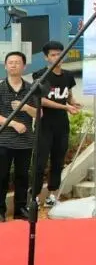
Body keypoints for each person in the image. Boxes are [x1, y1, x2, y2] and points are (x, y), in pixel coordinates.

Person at [32, 40, 81, 208]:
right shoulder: (40, 76)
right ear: (46, 57)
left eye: (60, 54)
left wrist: (73, 103)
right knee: (40, 162)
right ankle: (34, 196)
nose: (57, 57)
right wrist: (65, 107)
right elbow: (41, 100)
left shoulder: (68, 76)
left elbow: (68, 95)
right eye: (53, 55)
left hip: (62, 125)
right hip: (44, 124)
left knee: (58, 160)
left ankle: (52, 195)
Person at [0, 51, 37, 222]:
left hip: (25, 141)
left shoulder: (31, 88)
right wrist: (13, 123)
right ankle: (1, 211)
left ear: (24, 66)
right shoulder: (1, 88)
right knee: (2, 176)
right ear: (5, 66)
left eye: (17, 62)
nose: (13, 65)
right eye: (10, 62)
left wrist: (26, 108)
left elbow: (39, 114)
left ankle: (20, 210)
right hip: (3, 140)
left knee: (22, 176)